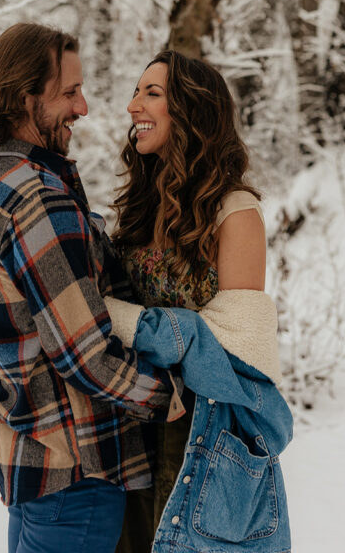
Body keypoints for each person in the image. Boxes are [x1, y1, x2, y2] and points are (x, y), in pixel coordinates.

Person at [0, 23, 182, 553]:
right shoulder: (38, 200)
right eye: (70, 92)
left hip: (25, 466)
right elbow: (87, 356)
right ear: (26, 98)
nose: (86, 107)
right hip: (77, 480)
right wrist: (173, 396)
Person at [110, 49, 280, 551]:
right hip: (133, 426)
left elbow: (240, 351)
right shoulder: (141, 209)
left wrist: (114, 317)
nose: (132, 106)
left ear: (192, 110)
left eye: (152, 93)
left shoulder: (235, 212)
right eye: (136, 91)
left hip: (203, 442)